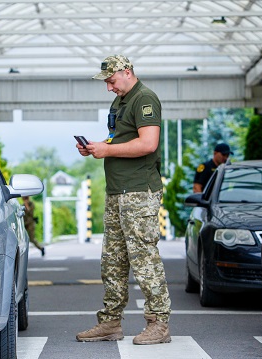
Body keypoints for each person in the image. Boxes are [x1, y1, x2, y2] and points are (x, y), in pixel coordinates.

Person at [75, 55, 171, 345]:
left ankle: (158, 323)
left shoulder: (145, 99)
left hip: (139, 192)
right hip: (118, 191)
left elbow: (148, 143)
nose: (109, 87)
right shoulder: (120, 102)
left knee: (144, 258)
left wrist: (108, 152)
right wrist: (97, 147)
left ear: (127, 72)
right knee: (113, 261)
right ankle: (110, 322)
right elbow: (118, 139)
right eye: (106, 82)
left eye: (111, 81)